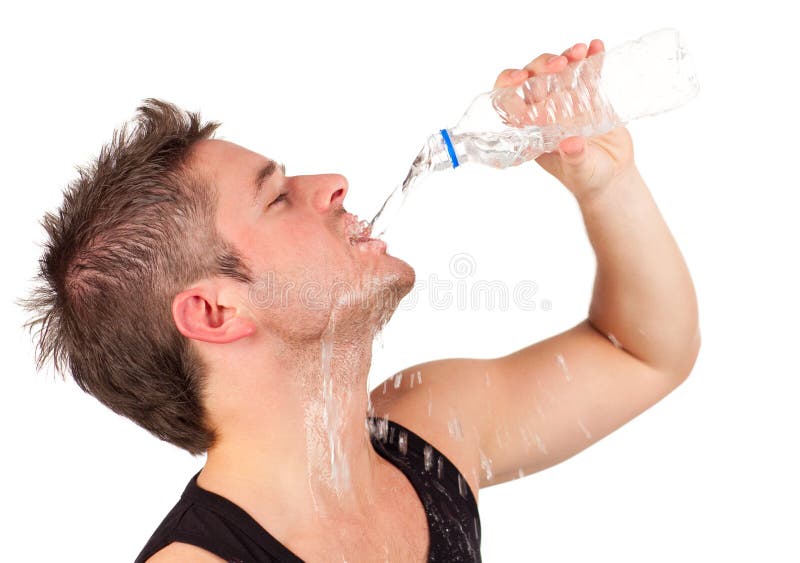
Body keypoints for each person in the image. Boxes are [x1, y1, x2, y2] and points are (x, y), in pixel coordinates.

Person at [20, 38, 700, 562]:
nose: (334, 183)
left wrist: (605, 183)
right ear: (215, 311)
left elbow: (642, 352)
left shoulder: (426, 431)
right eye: (277, 195)